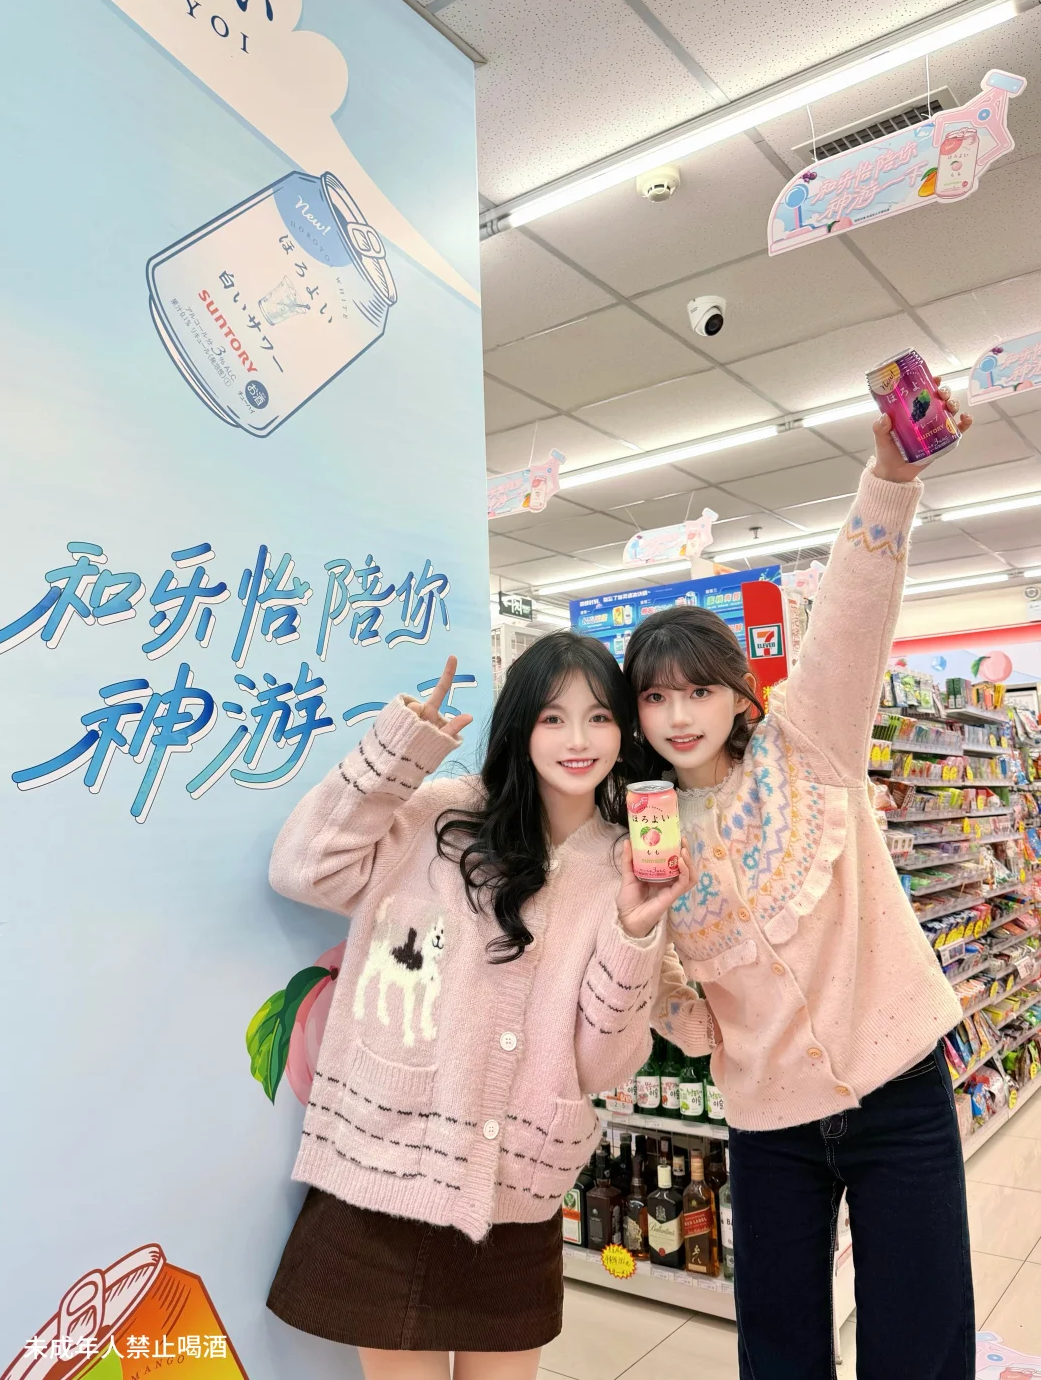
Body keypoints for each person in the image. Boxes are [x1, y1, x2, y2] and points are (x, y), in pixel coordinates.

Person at [628, 387, 976, 1380]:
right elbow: (650, 973)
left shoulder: (809, 743)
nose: (679, 715)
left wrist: (890, 477)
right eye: (655, 697)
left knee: (921, 1339)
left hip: (898, 1088)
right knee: (778, 1351)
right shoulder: (646, 828)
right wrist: (699, 1023)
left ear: (740, 695)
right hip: (765, 1121)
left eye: (699, 690)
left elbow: (854, 614)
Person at [265, 634, 694, 1380]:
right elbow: (304, 869)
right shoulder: (441, 814)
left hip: (515, 1193)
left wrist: (633, 934)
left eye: (598, 717)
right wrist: (398, 752)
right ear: (520, 724)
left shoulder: (623, 864)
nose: (578, 740)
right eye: (553, 718)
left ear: (624, 731)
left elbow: (602, 1064)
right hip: (388, 1169)